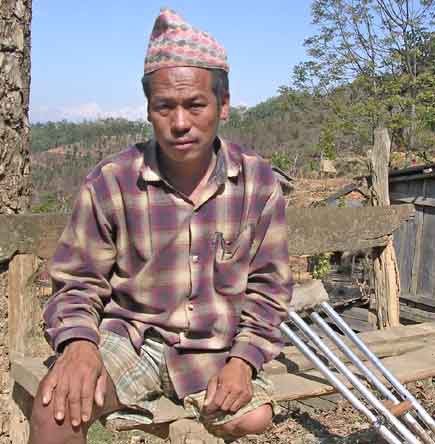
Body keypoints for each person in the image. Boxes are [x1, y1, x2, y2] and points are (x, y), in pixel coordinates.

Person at [29, 8, 292, 444]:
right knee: (55, 408)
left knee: (251, 418)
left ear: (223, 104)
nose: (180, 123)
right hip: (132, 340)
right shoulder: (112, 181)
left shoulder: (257, 182)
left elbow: (269, 289)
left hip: (216, 347)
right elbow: (76, 282)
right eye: (164, 107)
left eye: (195, 105)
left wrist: (243, 361)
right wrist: (79, 345)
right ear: (149, 109)